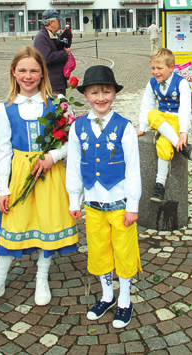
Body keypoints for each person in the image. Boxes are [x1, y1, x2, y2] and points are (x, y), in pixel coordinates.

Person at [0, 46, 78, 310]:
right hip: (20, 174)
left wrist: (53, 156)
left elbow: (71, 141)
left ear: (42, 74)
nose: (28, 76)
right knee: (12, 226)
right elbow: (2, 150)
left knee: (48, 223)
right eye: (22, 70)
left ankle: (42, 278)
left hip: (50, 172)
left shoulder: (57, 103)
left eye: (34, 71)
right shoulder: (4, 108)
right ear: (14, 73)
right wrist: (2, 189)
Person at [66, 65, 142, 329]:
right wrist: (74, 200)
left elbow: (133, 169)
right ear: (85, 95)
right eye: (95, 92)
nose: (101, 98)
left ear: (115, 94)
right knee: (99, 251)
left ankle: (125, 300)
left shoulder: (125, 127)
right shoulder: (77, 128)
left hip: (120, 204)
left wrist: (133, 205)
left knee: (124, 251)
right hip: (94, 204)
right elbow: (74, 165)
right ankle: (107, 296)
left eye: (107, 91)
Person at [137, 48, 192, 202]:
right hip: (161, 119)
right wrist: (142, 127)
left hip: (176, 119)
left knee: (163, 144)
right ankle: (182, 147)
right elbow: (147, 104)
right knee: (152, 114)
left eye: (159, 68)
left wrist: (183, 132)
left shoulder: (181, 83)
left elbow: (184, 109)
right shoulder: (152, 83)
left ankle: (159, 185)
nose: (155, 72)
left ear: (171, 68)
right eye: (153, 68)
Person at [34, 10, 70, 96]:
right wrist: (64, 53)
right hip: (51, 83)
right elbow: (47, 58)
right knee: (55, 107)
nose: (59, 23)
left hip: (57, 81)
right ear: (51, 22)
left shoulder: (51, 35)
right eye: (58, 21)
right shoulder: (41, 37)